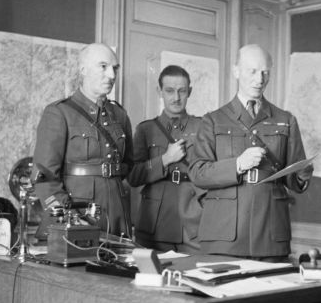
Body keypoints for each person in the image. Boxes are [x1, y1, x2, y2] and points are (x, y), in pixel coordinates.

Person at [188, 44, 313, 261]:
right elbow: (198, 173)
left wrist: (302, 176)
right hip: (224, 235)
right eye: (252, 71)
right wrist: (238, 164)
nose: (260, 79)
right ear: (236, 71)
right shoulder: (213, 120)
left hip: (270, 234)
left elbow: (293, 180)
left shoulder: (285, 120)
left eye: (265, 72)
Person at [33, 43, 133, 238]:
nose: (111, 75)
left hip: (117, 218)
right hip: (77, 216)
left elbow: (128, 165)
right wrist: (69, 217)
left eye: (115, 68)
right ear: (83, 70)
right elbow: (44, 178)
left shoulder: (119, 115)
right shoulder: (60, 112)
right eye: (103, 66)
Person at [127, 65, 203, 252]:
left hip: (191, 221)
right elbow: (133, 177)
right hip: (156, 223)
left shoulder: (202, 127)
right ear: (159, 91)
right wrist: (165, 159)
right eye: (169, 91)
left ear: (190, 92)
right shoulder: (146, 130)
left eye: (182, 91)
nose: (176, 98)